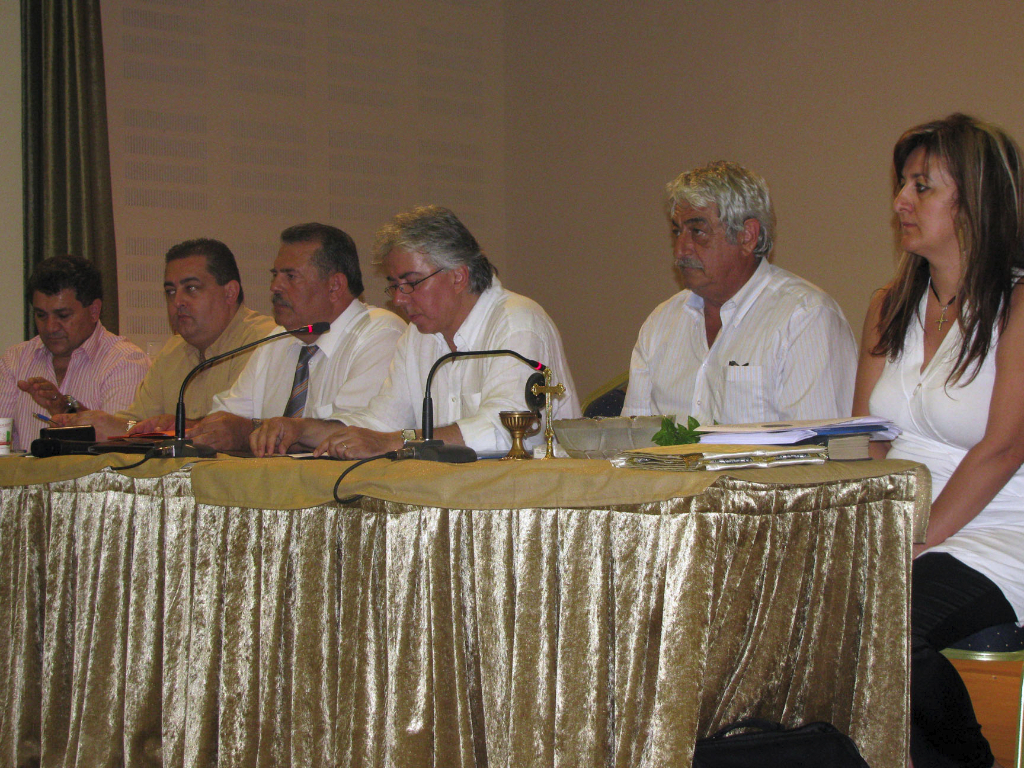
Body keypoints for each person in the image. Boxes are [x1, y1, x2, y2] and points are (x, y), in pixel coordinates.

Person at [852, 113, 1024, 768]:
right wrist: (871, 530)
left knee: (883, 636)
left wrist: (917, 535)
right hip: (904, 525)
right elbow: (867, 439)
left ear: (975, 200)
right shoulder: (888, 305)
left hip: (995, 532)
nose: (901, 201)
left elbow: (1004, 448)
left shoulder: (1017, 308)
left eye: (921, 186)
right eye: (902, 184)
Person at [250, 205, 581, 458]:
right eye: (394, 285)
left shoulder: (517, 323)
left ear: (458, 276)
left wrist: (393, 442)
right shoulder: (417, 336)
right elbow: (382, 421)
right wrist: (302, 429)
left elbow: (505, 430)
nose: (398, 299)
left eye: (410, 283)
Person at [621, 160, 857, 425]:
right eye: (677, 232)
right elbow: (631, 440)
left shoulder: (806, 318)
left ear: (747, 236)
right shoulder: (660, 324)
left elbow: (821, 444)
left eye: (698, 231)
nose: (680, 249)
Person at [190, 222, 405, 452]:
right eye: (275, 275)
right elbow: (228, 420)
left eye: (291, 276)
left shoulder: (381, 334)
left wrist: (250, 431)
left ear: (334, 286)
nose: (275, 287)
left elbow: (354, 434)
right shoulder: (277, 339)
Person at [51, 238, 277, 439]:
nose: (177, 301)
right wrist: (100, 425)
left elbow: (238, 429)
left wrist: (179, 427)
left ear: (230, 293)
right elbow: (135, 423)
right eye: (170, 291)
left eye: (191, 288)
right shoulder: (172, 351)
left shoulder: (266, 341)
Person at [0, 255, 150, 450]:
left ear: (94, 311)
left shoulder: (125, 361)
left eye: (63, 315)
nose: (50, 327)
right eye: (41, 315)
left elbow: (120, 443)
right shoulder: (15, 360)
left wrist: (67, 409)